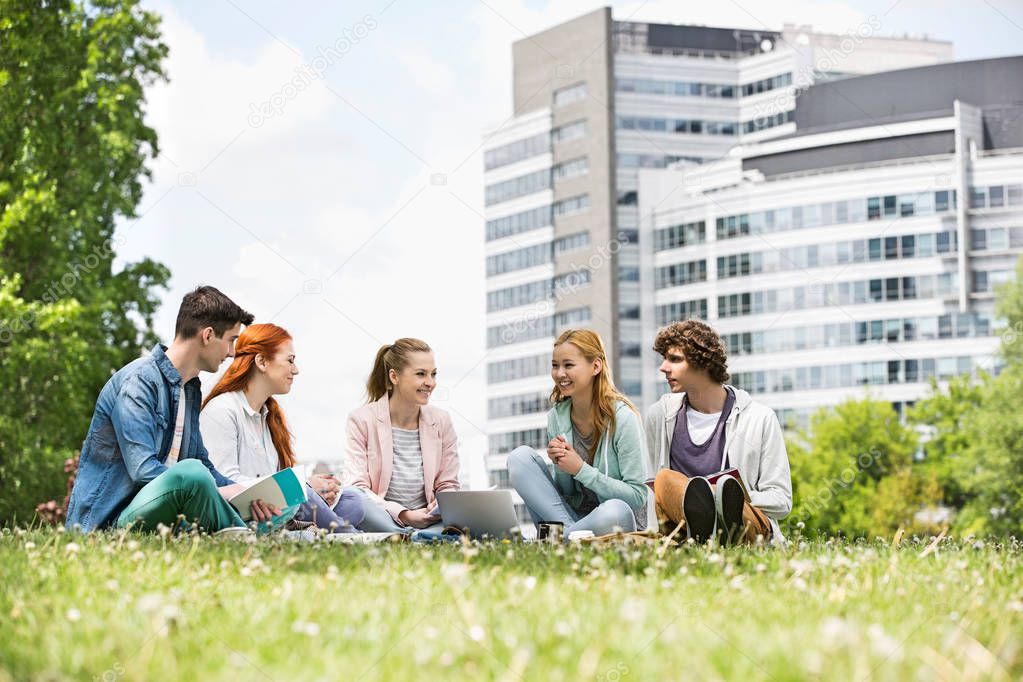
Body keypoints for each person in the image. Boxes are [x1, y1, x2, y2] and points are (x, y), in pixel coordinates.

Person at [66, 286, 279, 534]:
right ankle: (245, 538)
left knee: (249, 497)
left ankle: (266, 531)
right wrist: (218, 491)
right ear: (208, 335)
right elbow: (144, 471)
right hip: (109, 523)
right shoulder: (139, 381)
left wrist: (245, 493)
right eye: (231, 341)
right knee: (192, 474)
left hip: (164, 517)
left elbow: (204, 466)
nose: (232, 353)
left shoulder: (190, 390)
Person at [200, 323, 365, 534]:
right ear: (261, 361)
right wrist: (302, 486)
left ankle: (320, 528)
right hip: (242, 513)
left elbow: (274, 479)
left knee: (354, 501)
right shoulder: (222, 411)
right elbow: (226, 483)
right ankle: (351, 536)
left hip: (274, 507)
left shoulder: (268, 416)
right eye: (290, 361)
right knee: (302, 489)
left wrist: (305, 488)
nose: (295, 370)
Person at [645, 319, 792, 545]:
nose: (664, 367)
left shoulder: (760, 418)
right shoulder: (660, 416)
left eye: (675, 359)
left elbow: (782, 500)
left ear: (702, 363)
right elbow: (650, 489)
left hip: (745, 525)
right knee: (664, 479)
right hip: (679, 528)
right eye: (665, 359)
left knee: (730, 503)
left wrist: (725, 497)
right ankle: (704, 534)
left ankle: (718, 528)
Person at [507, 329, 649, 538]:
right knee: (519, 457)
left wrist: (580, 469)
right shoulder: (556, 417)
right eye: (555, 366)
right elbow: (565, 495)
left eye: (568, 365)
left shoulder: (623, 418)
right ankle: (570, 538)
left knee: (615, 510)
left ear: (596, 366)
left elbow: (637, 496)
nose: (559, 373)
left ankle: (553, 540)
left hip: (613, 521)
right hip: (573, 519)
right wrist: (561, 466)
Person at [344, 338, 459, 536]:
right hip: (382, 517)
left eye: (433, 374)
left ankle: (415, 536)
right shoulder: (360, 420)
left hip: (428, 520)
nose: (430, 383)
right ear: (394, 377)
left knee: (463, 521)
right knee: (354, 497)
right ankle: (409, 536)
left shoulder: (442, 421)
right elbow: (358, 487)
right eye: (421, 374)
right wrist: (404, 514)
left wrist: (437, 506)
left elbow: (448, 483)